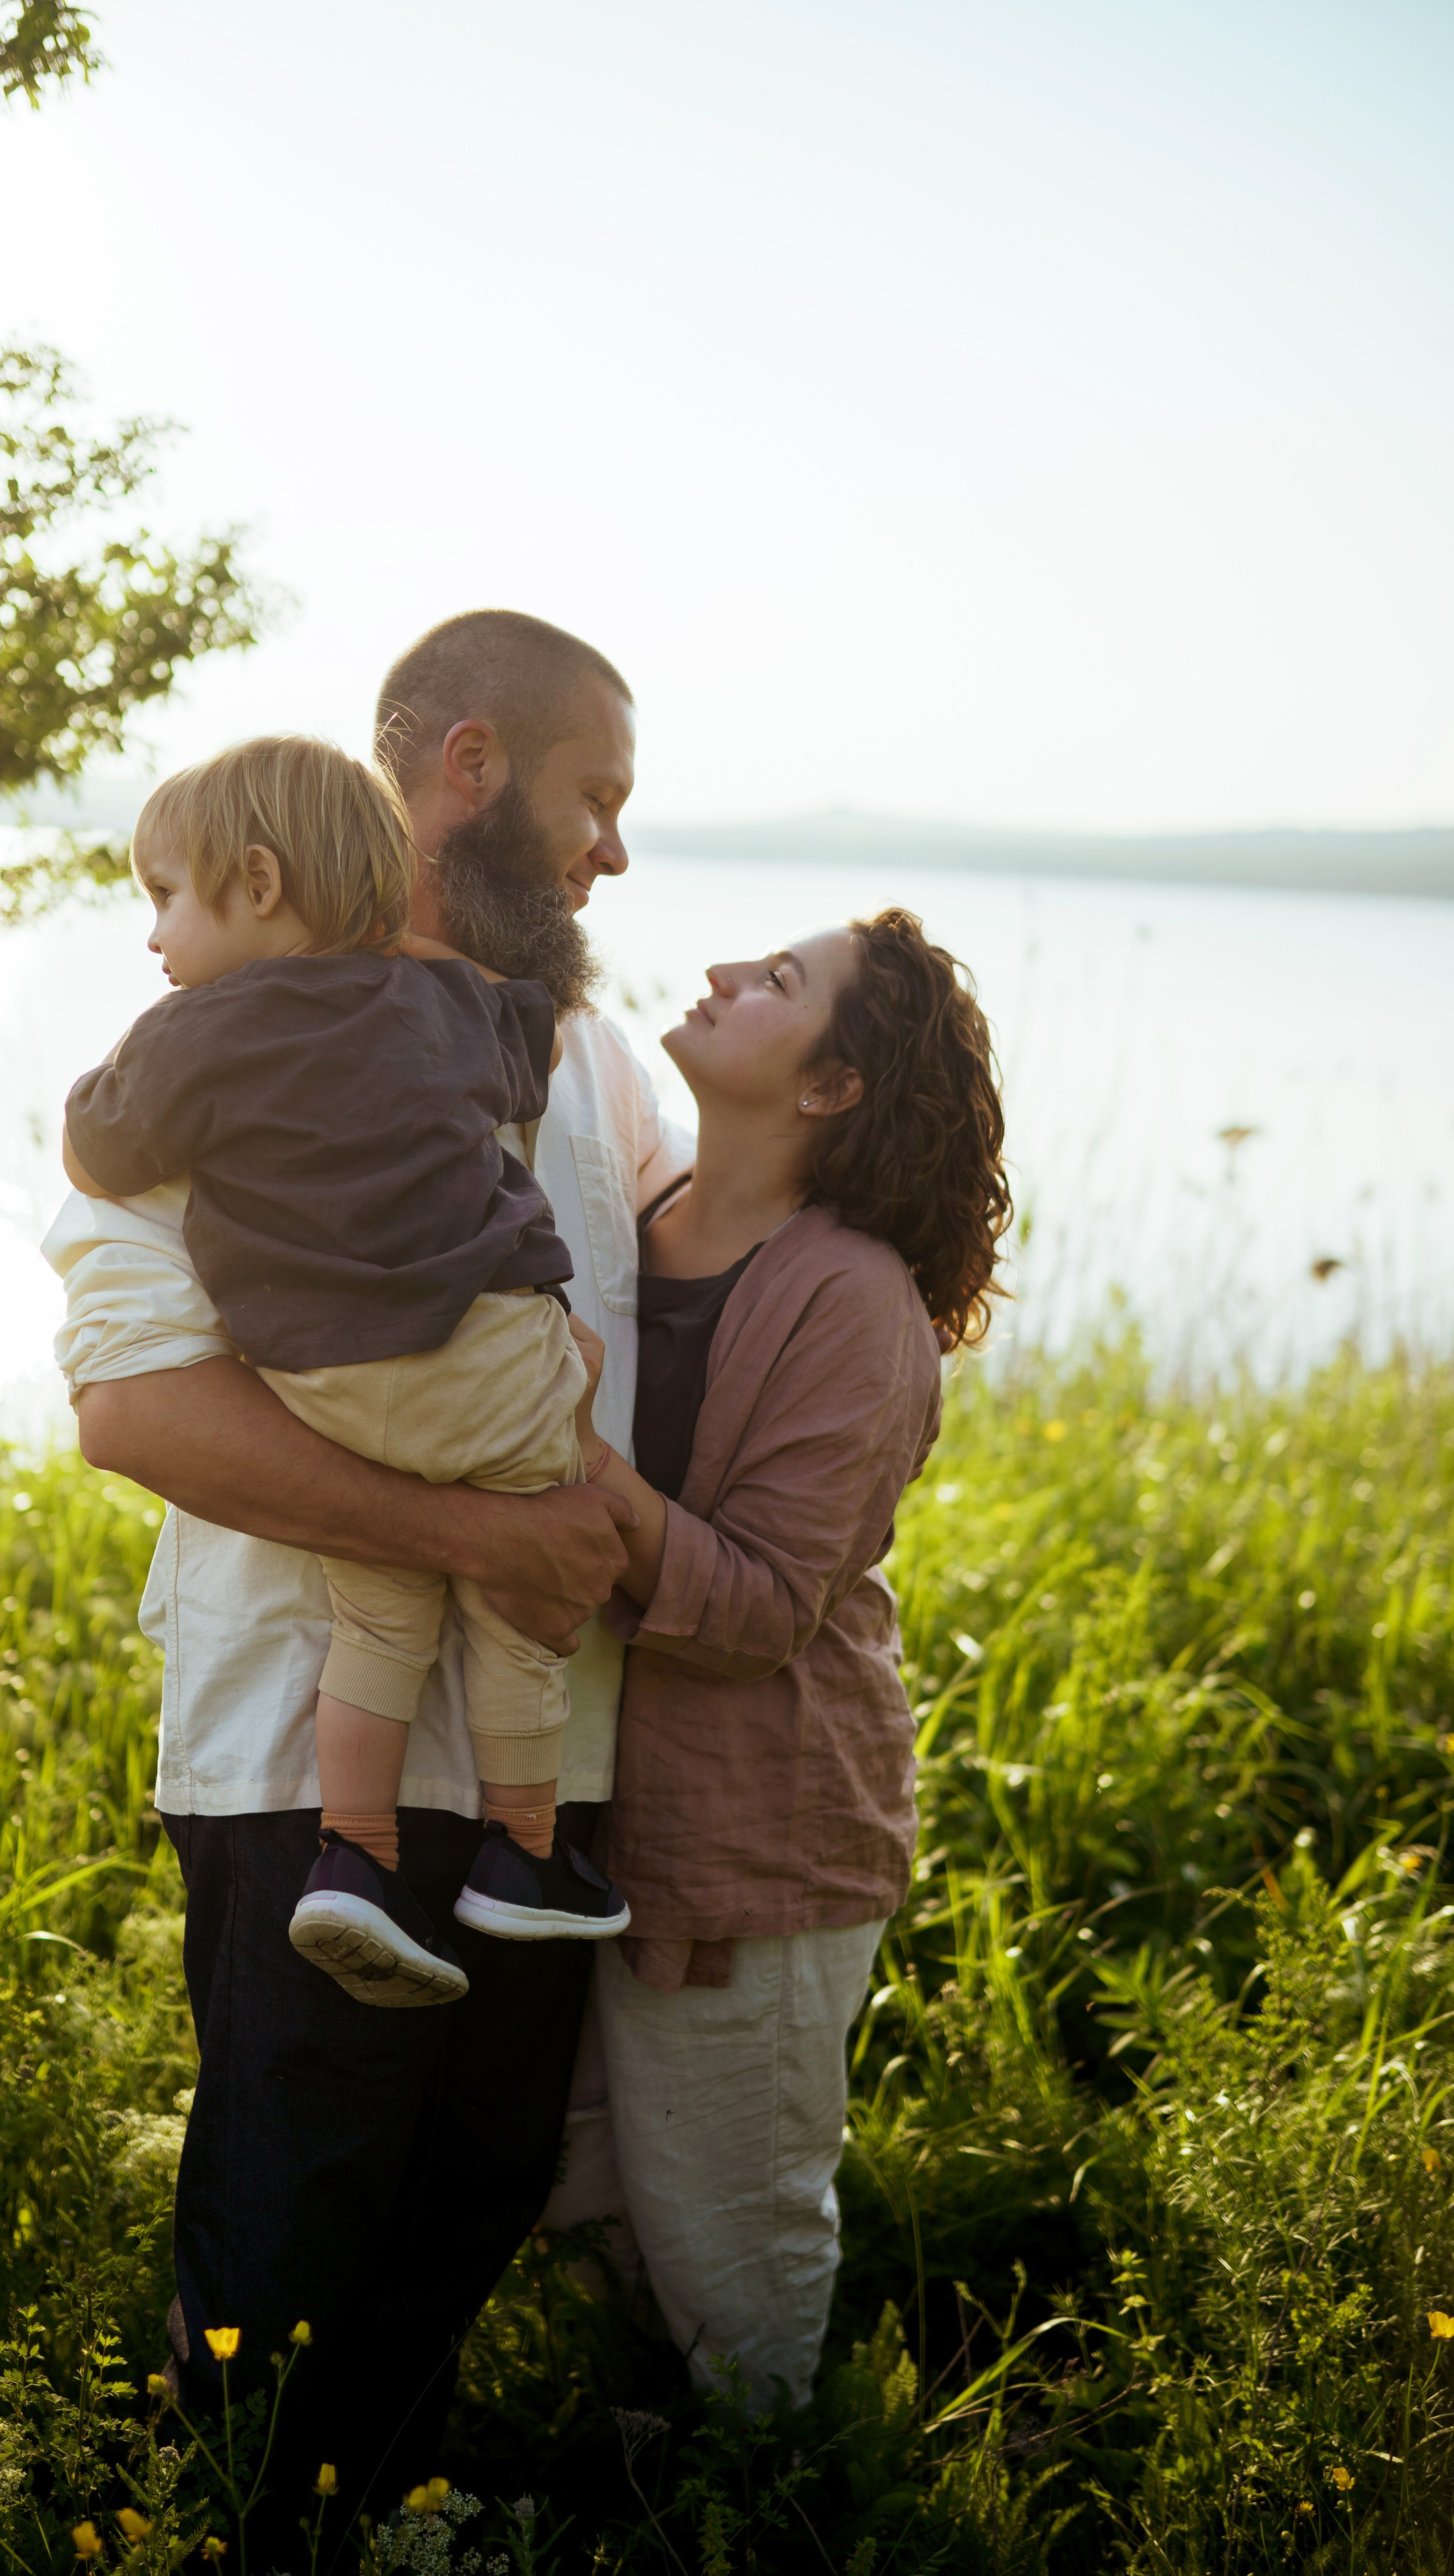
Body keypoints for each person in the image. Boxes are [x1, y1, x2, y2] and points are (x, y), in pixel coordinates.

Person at [41, 611, 687, 2525]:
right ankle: (245, 2534)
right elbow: (136, 1410)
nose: (614, 853)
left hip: (548, 1774)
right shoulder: (199, 1045)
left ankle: (380, 2528)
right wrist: (494, 1534)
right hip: (299, 1761)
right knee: (287, 2235)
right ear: (468, 770)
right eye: (593, 800)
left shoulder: (592, 1059)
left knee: (473, 2203)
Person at [59, 733, 628, 2008]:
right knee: (519, 1601)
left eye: (165, 896)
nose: (153, 935)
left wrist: (130, 1064)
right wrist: (412, 955)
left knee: (379, 1612)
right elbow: (534, 1048)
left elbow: (98, 1151)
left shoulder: (193, 1031)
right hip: (489, 1366)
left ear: (259, 884)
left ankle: (353, 1856)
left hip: (328, 1392)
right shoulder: (445, 1001)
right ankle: (528, 1852)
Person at [565, 907, 1009, 2411]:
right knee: (608, 2216)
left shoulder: (854, 1301)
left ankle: (781, 2498)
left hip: (760, 1831)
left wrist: (577, 1464)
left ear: (830, 1087)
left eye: (776, 982)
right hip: (604, 1809)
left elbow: (761, 1606)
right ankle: (646, 2477)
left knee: (732, 2249)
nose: (720, 976)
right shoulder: (640, 1214)